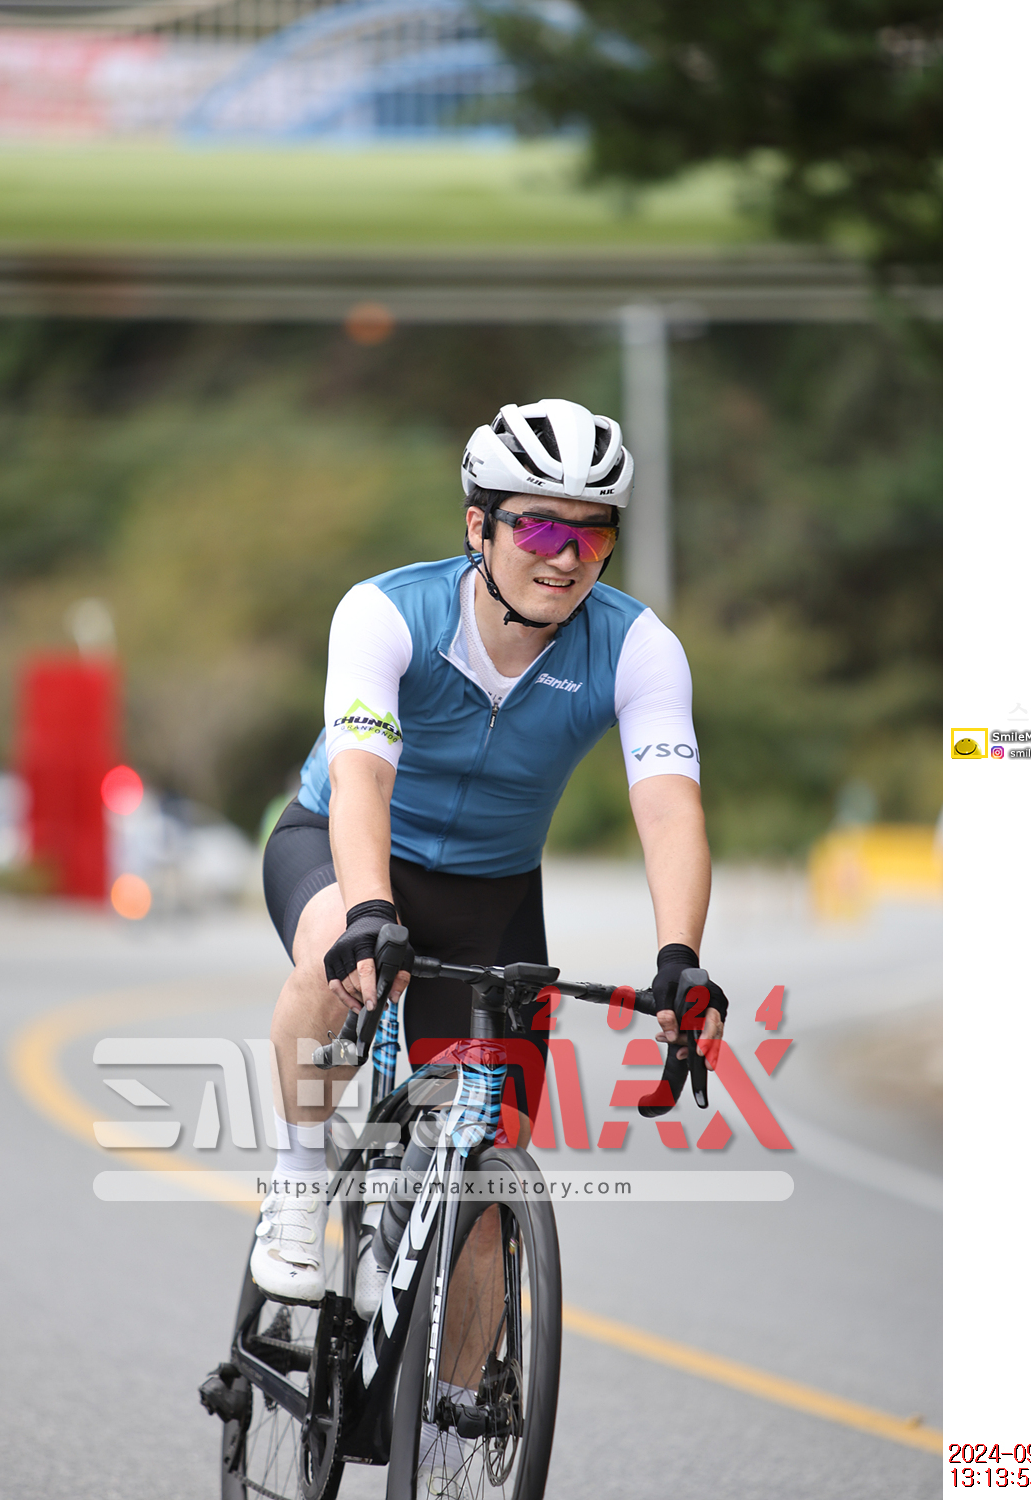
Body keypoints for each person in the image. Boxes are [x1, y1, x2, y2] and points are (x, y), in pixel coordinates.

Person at [253, 398, 727, 1308]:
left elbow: (671, 811)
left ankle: (448, 1385)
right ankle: (298, 1182)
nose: (565, 556)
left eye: (592, 535)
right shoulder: (388, 613)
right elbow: (363, 780)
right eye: (539, 526)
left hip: (493, 895)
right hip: (347, 847)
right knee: (330, 964)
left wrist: (681, 959)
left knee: (485, 1190)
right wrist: (370, 911)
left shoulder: (637, 646)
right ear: (479, 527)